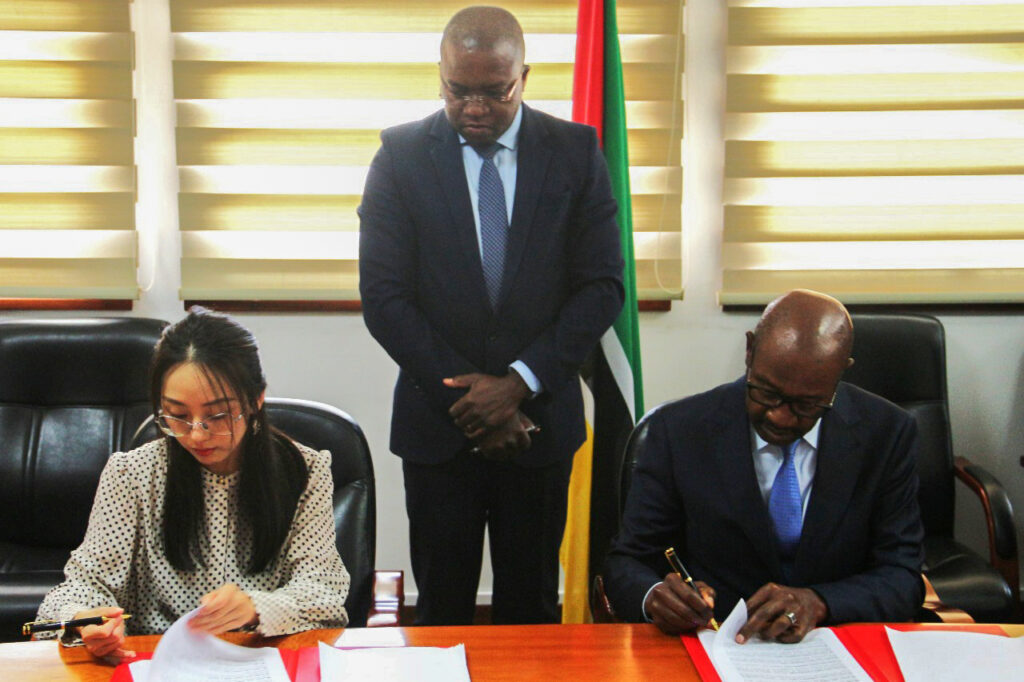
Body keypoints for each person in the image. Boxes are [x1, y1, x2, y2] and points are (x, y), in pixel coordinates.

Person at [358, 6, 624, 624]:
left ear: (523, 78)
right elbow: (385, 297)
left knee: (532, 608)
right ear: (440, 76)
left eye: (495, 92)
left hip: (540, 424)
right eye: (458, 91)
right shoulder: (399, 156)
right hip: (438, 427)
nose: (474, 108)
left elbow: (601, 286)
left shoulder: (574, 152)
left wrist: (518, 384)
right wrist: (474, 400)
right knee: (441, 612)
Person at [604, 289, 925, 643]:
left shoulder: (887, 433)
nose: (780, 417)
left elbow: (902, 577)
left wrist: (820, 602)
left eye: (806, 405)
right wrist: (654, 597)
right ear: (749, 350)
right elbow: (628, 561)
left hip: (831, 643)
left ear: (840, 372)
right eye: (767, 393)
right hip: (716, 641)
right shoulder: (679, 430)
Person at [36, 308, 349, 661]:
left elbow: (322, 590)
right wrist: (87, 621)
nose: (197, 434)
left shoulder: (304, 471)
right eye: (178, 415)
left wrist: (255, 607)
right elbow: (82, 585)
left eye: (217, 415)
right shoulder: (131, 474)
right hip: (156, 662)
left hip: (260, 659)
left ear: (256, 400)